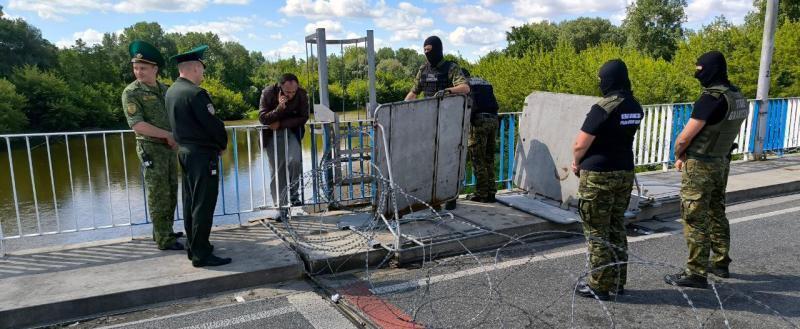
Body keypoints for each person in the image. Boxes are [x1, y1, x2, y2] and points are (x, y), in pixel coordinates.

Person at [664, 51, 747, 288]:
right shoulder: (736, 95)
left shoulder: (710, 99)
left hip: (700, 164)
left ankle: (695, 272)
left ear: (710, 70)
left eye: (700, 68)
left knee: (694, 216)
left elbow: (685, 137)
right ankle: (720, 262)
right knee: (716, 211)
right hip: (722, 161)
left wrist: (679, 154)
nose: (697, 72)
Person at [571, 59, 643, 301]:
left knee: (597, 231)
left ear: (609, 79)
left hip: (598, 175)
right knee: (616, 226)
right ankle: (618, 281)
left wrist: (577, 162)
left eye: (602, 79)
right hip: (624, 172)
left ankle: (599, 284)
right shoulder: (634, 105)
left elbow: (581, 143)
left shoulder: (603, 107)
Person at [166, 45, 231, 267]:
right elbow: (212, 125)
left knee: (190, 201)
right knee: (203, 203)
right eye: (202, 69)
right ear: (194, 68)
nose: (203, 74)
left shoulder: (172, 90)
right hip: (202, 156)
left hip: (185, 153)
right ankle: (201, 254)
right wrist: (222, 144)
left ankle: (194, 245)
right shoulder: (195, 94)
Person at [121, 40, 183, 251]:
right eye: (136, 68)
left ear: (155, 69)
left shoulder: (165, 89)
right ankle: (164, 240)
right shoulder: (131, 92)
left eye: (143, 68)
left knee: (171, 191)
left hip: (169, 148)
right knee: (158, 193)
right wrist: (167, 135)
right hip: (151, 149)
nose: (138, 72)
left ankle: (166, 231)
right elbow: (137, 125)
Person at [258, 73, 309, 207]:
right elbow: (263, 118)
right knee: (278, 168)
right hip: (271, 134)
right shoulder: (268, 93)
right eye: (287, 91)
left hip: (292, 131)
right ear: (280, 86)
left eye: (294, 91)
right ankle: (280, 203)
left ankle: (293, 195)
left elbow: (304, 117)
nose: (291, 94)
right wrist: (279, 109)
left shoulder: (302, 94)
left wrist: (281, 124)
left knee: (295, 161)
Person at [462, 68, 499, 203]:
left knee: (478, 159)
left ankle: (481, 193)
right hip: (494, 120)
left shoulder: (465, 85)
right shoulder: (484, 81)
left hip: (479, 121)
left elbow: (470, 105)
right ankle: (491, 193)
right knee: (489, 158)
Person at [404, 36, 470, 101]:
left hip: (448, 108)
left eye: (429, 49)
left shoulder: (451, 67)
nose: (426, 52)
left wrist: (446, 91)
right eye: (425, 50)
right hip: (428, 108)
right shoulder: (423, 69)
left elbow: (465, 88)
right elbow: (413, 92)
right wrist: (403, 107)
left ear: (437, 49)